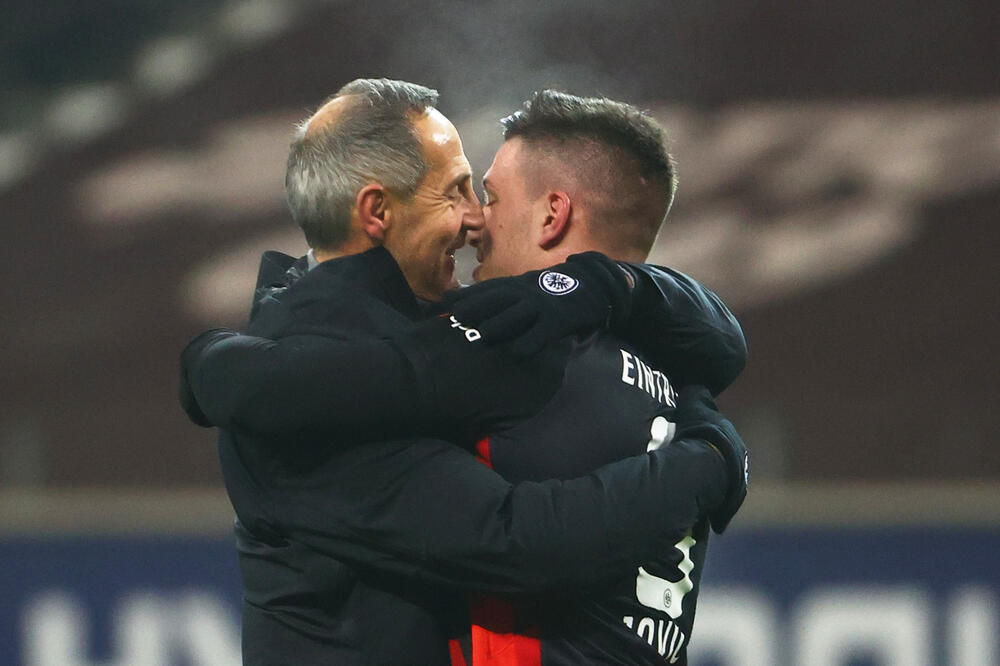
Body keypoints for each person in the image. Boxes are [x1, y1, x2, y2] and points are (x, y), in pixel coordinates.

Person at [180, 79, 748, 665]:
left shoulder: (524, 347)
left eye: (488, 196)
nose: (475, 219)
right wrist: (711, 460)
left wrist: (609, 283)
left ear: (554, 215)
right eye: (457, 191)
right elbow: (515, 539)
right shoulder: (670, 370)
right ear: (377, 211)